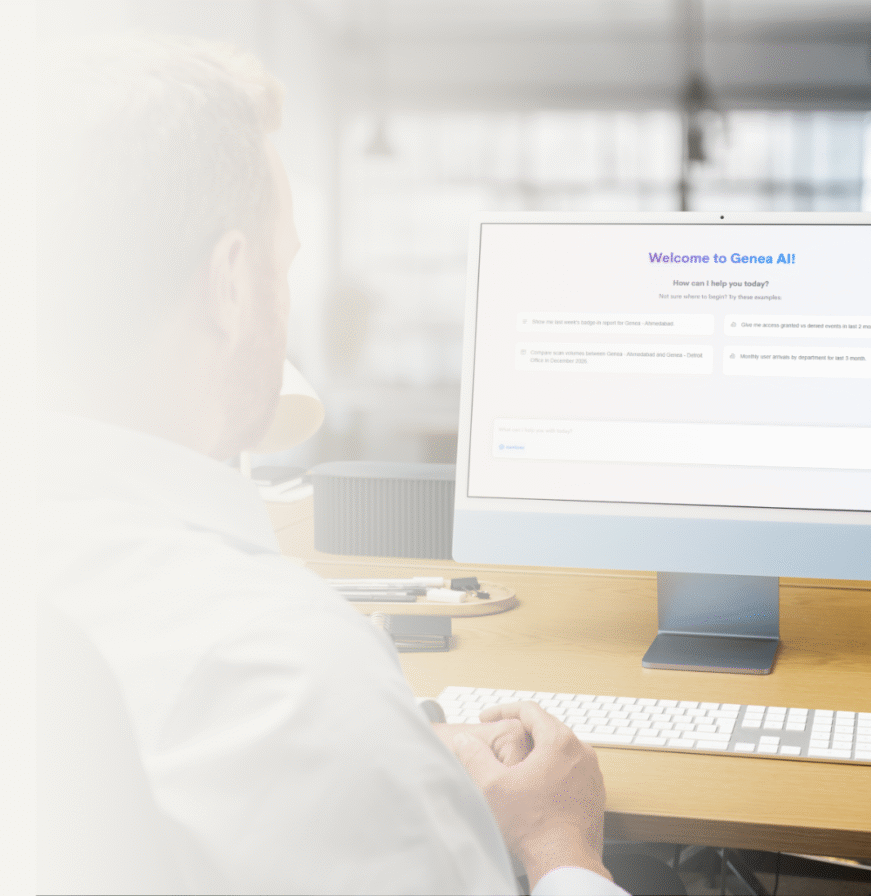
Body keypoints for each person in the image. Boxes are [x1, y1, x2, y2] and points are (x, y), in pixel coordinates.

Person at [33, 34, 641, 895]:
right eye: (284, 267)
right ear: (233, 286)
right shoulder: (291, 671)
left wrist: (392, 757)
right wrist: (561, 845)